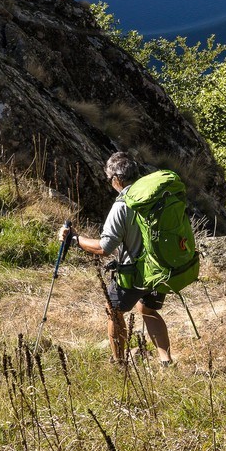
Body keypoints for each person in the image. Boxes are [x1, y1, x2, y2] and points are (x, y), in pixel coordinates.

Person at [59, 149, 173, 365]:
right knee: (147, 309)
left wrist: (74, 239)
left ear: (117, 179)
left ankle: (119, 363)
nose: (110, 183)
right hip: (162, 266)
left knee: (113, 310)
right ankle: (166, 361)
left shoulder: (122, 205)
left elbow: (105, 247)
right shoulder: (158, 196)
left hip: (136, 272)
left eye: (109, 179)